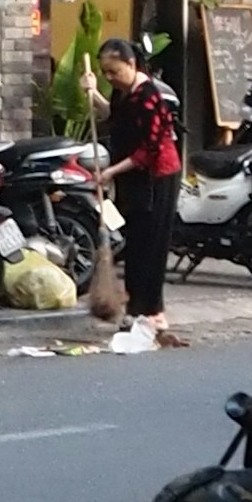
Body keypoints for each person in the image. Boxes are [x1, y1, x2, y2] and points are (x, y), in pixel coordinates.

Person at [99, 39, 184, 349]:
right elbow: (115, 118)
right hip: (133, 177)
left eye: (114, 71)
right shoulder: (124, 93)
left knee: (152, 246)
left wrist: (110, 172)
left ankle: (153, 312)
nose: (110, 78)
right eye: (105, 72)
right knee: (135, 244)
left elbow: (149, 150)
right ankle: (136, 308)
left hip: (157, 176)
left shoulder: (150, 97)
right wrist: (94, 93)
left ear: (131, 65)